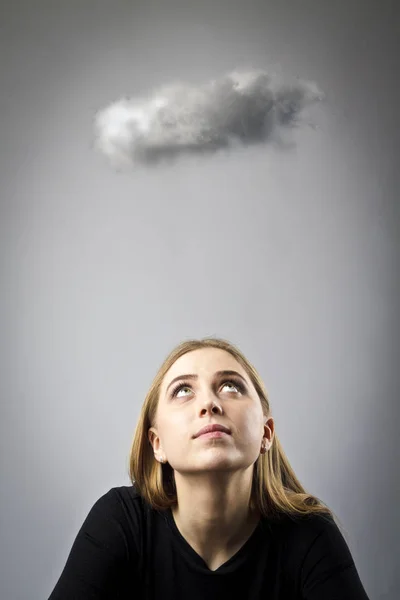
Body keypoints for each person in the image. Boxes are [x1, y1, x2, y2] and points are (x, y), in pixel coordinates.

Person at [48, 337, 370, 599]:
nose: (209, 404)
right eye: (183, 390)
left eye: (231, 386)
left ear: (265, 433)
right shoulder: (119, 522)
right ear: (156, 444)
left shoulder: (309, 535)